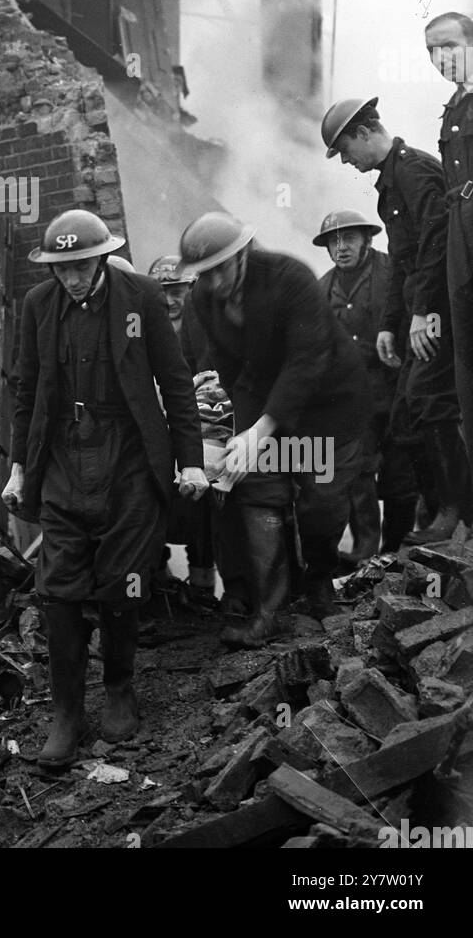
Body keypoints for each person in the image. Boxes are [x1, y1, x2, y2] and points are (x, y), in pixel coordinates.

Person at [2, 209, 206, 766]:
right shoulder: (38, 305)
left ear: (102, 256)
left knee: (124, 584)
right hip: (64, 457)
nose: (71, 277)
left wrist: (190, 462)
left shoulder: (140, 296)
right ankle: (66, 713)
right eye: (61, 267)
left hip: (130, 459)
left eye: (80, 265)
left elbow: (175, 380)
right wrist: (20, 469)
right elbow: (27, 392)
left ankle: (119, 688)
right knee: (60, 591)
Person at [179, 212, 370, 645]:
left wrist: (262, 429)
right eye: (203, 275)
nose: (213, 282)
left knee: (320, 502)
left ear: (243, 255)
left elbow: (307, 360)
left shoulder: (290, 278)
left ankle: (319, 582)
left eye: (220, 269)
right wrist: (223, 435)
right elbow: (228, 366)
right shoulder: (204, 299)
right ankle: (270, 609)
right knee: (253, 488)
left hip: (328, 407)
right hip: (262, 402)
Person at [321, 95, 472, 541]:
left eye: (346, 149)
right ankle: (440, 511)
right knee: (409, 413)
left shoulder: (415, 170)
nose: (347, 161)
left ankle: (457, 515)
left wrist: (424, 312)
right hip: (418, 312)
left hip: (440, 311)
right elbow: (402, 264)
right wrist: (390, 322)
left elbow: (436, 246)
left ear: (365, 133)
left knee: (431, 404)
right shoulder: (391, 181)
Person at [313, 209, 420, 557]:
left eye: (349, 239)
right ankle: (365, 553)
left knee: (401, 472)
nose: (341, 247)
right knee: (358, 472)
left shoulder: (392, 271)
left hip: (398, 388)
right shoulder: (322, 287)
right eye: (334, 241)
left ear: (367, 240)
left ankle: (397, 550)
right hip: (351, 398)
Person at [147, 254, 217, 605]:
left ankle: (204, 583)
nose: (170, 301)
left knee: (204, 502)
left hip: (200, 430)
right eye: (163, 292)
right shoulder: (140, 328)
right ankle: (157, 577)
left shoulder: (205, 328)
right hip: (154, 433)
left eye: (177, 291)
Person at [425, 12, 473, 484]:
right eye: (432, 51)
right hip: (461, 233)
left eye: (450, 46)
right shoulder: (453, 110)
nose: (442, 58)